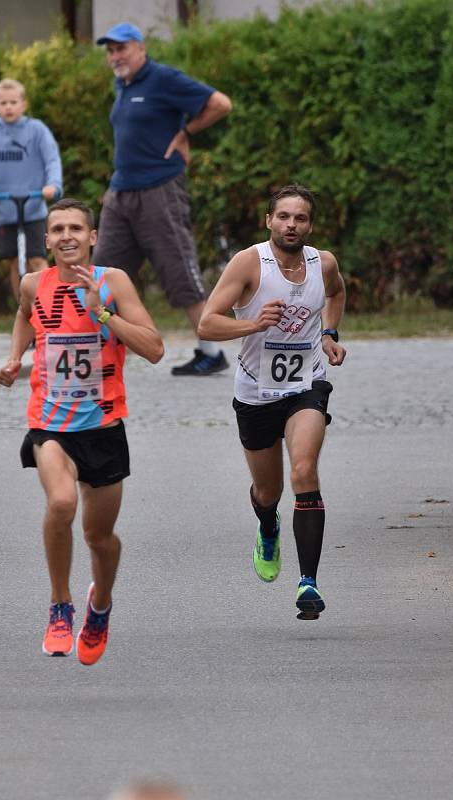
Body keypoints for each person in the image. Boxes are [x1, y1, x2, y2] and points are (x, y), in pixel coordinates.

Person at [0, 198, 164, 664]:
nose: (66, 235)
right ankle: (59, 606)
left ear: (92, 238)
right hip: (49, 424)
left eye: (75, 228)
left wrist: (102, 314)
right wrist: (15, 358)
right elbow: (23, 317)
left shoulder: (113, 283)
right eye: (57, 229)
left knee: (99, 539)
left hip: (104, 428)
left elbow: (155, 348)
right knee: (62, 502)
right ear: (47, 240)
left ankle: (100, 604)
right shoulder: (34, 283)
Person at [197, 184, 347, 619]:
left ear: (310, 225)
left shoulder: (324, 264)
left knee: (305, 469)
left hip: (306, 385)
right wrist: (252, 325)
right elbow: (207, 324)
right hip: (256, 392)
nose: (291, 225)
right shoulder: (249, 263)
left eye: (300, 218)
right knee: (268, 491)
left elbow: (336, 294)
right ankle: (267, 526)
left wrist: (330, 333)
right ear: (269, 221)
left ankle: (308, 583)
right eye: (283, 216)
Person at [94, 22, 233, 376]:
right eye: (110, 51)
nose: (115, 56)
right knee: (102, 271)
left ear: (140, 48)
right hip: (120, 191)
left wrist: (186, 132)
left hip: (160, 189)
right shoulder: (122, 84)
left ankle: (211, 352)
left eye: (121, 48)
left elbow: (220, 104)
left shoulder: (163, 78)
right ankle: (91, 347)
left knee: (178, 271)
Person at [0, 78, 63, 300]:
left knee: (37, 258)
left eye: (13, 102)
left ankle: (49, 306)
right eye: (3, 103)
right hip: (5, 209)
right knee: (14, 261)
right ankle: (24, 311)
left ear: (23, 104)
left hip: (33, 207)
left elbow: (51, 159)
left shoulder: (36, 130)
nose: (8, 107)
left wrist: (53, 185)